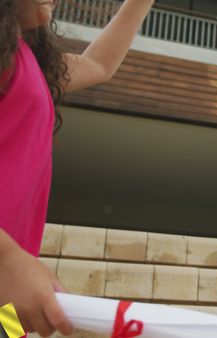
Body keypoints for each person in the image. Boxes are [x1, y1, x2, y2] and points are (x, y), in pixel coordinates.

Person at [0, 0, 154, 336]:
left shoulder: (28, 58)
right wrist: (6, 257)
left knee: (11, 334)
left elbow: (97, 63)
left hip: (5, 301)